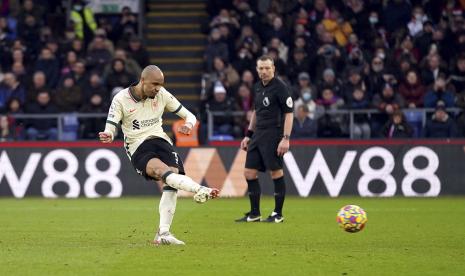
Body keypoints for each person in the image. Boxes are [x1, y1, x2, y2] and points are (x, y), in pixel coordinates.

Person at [99, 65, 219, 245]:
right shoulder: (121, 99)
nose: (158, 88)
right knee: (163, 172)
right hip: (138, 145)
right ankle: (200, 189)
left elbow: (190, 116)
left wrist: (188, 125)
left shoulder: (162, 94)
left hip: (161, 140)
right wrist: (109, 133)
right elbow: (112, 125)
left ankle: (163, 234)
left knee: (172, 179)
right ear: (142, 81)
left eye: (161, 84)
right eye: (154, 84)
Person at [236, 55, 294, 223]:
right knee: (249, 172)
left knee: (276, 172)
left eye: (267, 68)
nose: (264, 71)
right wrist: (248, 134)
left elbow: (289, 114)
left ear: (273, 68)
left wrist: (286, 138)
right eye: (261, 68)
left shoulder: (281, 87)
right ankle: (255, 214)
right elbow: (256, 111)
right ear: (257, 69)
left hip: (274, 134)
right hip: (258, 135)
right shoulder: (257, 87)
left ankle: (278, 214)